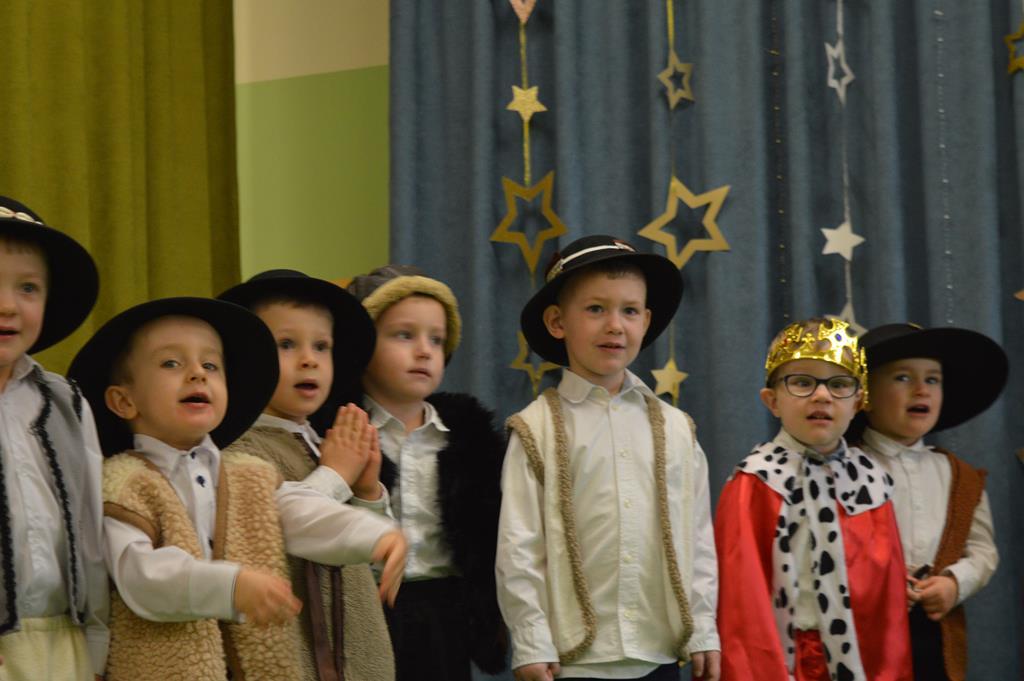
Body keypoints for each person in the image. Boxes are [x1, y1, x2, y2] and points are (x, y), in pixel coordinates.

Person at [68, 296, 405, 681]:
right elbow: (141, 576)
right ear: (124, 401)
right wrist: (230, 586)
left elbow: (299, 513)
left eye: (211, 365)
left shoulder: (246, 472)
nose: (197, 373)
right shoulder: (124, 482)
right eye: (171, 363)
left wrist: (374, 535)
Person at [496, 235, 720, 681]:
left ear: (647, 320)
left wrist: (703, 629)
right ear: (557, 321)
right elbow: (519, 548)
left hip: (659, 654)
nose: (615, 325)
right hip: (572, 661)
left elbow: (697, 541)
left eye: (630, 311)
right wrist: (531, 640)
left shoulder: (677, 429)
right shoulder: (535, 430)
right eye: (596, 309)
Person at [219, 269, 397, 681]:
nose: (309, 359)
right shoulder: (237, 450)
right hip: (292, 658)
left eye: (321, 346)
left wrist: (367, 491)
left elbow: (366, 560)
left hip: (360, 655)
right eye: (286, 344)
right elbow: (275, 524)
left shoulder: (325, 443)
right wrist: (336, 474)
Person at [715, 317, 912, 681]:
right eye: (802, 382)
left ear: (858, 402)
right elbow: (741, 606)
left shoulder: (871, 485)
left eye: (839, 385)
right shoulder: (755, 482)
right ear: (772, 401)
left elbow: (889, 613)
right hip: (783, 661)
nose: (822, 396)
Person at [346, 265, 508, 681]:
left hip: (446, 614)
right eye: (404, 335)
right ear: (361, 346)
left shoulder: (468, 438)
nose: (424, 351)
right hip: (367, 609)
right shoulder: (342, 431)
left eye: (436, 340)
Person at [853, 323, 1005, 681]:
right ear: (865, 395)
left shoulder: (960, 476)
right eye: (903, 377)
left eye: (933, 380)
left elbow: (982, 550)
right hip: (862, 635)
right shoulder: (843, 468)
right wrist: (878, 581)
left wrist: (954, 583)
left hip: (935, 632)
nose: (922, 389)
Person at [0, 196, 107, 680]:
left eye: (28, 288)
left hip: (65, 642)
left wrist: (96, 643)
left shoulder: (67, 402)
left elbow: (92, 525)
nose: (8, 305)